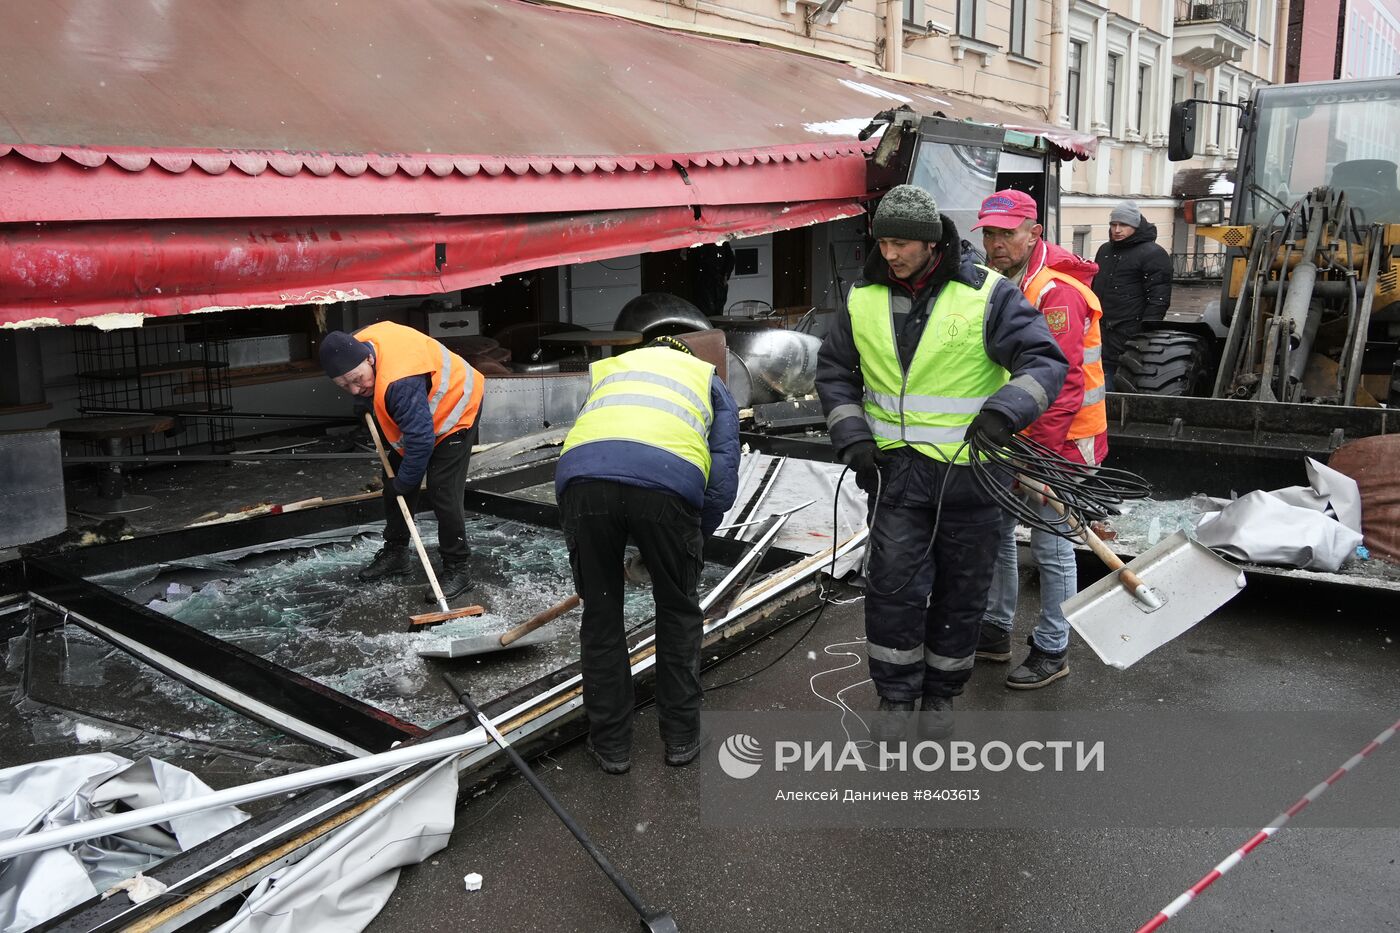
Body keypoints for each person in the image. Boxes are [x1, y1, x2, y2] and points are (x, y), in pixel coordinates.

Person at [815, 184, 1068, 740]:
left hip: (972, 476)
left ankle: (941, 696)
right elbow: (834, 374)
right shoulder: (862, 298)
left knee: (962, 590)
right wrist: (853, 437)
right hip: (896, 474)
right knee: (893, 589)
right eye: (882, 243)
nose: (890, 254)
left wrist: (1005, 412)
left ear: (931, 244)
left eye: (901, 243)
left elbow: (1045, 361)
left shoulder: (988, 295)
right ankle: (897, 698)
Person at [555, 334, 740, 774]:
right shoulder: (705, 378)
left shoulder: (610, 373)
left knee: (600, 616)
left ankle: (611, 746)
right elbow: (722, 481)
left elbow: (604, 447)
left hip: (582, 482)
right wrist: (687, 543)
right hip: (667, 481)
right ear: (683, 355)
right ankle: (680, 738)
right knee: (677, 613)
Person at [973, 190, 1109, 689]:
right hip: (1018, 435)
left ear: (1034, 233)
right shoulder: (1003, 283)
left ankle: (1053, 645)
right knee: (1000, 533)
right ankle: (996, 628)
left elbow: (1066, 381)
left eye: (1006, 234)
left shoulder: (1058, 293)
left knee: (1052, 546)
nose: (996, 243)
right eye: (989, 233)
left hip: (1066, 438)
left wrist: (1044, 457)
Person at [319, 323, 484, 600]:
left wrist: (405, 482)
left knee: (442, 489)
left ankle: (458, 569)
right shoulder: (353, 346)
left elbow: (420, 443)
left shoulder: (399, 382)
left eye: (358, 380)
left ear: (369, 359)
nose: (355, 388)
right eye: (345, 385)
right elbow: (409, 430)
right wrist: (366, 400)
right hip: (417, 412)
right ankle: (396, 553)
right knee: (392, 478)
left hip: (455, 408)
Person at [1091, 200, 1172, 389]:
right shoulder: (1105, 250)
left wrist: (1147, 331)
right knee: (1100, 379)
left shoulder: (1153, 254)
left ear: (1135, 225)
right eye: (1113, 225)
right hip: (1101, 327)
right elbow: (1095, 286)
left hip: (1131, 331)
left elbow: (1159, 297)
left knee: (1126, 379)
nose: (1117, 230)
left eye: (1124, 225)